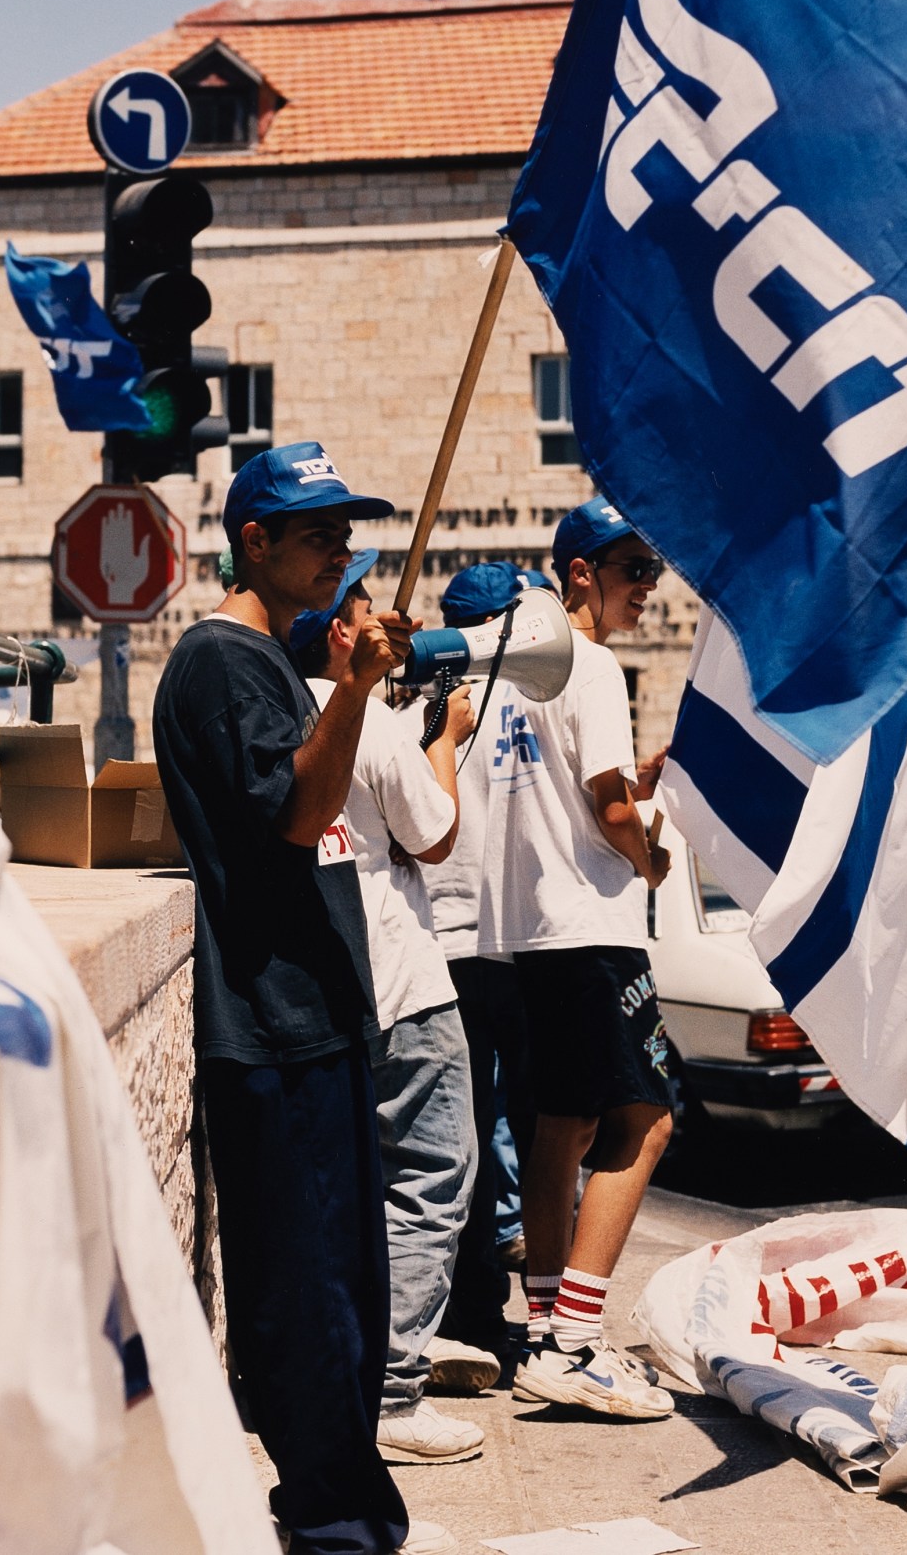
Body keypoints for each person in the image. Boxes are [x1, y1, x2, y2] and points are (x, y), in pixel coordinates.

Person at [150, 442, 447, 1555]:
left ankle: (341, 1508)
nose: (338, 552)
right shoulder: (222, 661)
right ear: (254, 539)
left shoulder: (266, 658)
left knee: (345, 1289)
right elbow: (298, 811)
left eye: (343, 534)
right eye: (316, 534)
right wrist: (357, 689)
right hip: (273, 1023)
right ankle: (334, 1525)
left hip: (314, 1019)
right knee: (314, 1297)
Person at [481, 499, 677, 1419]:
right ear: (580, 574)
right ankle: (575, 1340)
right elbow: (607, 811)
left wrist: (631, 784)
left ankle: (543, 1328)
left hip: (531, 931)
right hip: (593, 930)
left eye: (653, 571)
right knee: (647, 1121)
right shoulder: (592, 665)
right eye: (633, 569)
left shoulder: (513, 673)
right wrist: (652, 858)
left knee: (560, 1127)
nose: (649, 587)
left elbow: (566, 791)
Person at [293, 567, 490, 1467]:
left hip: (325, 988)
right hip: (403, 984)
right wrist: (443, 739)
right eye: (367, 608)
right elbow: (436, 833)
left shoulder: (281, 709)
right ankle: (392, 1390)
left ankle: (353, 1363)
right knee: (435, 1173)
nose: (385, 620)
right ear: (343, 633)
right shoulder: (366, 718)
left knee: (351, 1190)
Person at [417, 561, 537, 1379]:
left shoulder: (422, 711)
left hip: (447, 946)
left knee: (467, 1130)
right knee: (528, 1125)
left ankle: (478, 1308)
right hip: (514, 944)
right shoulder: (531, 704)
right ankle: (529, 1303)